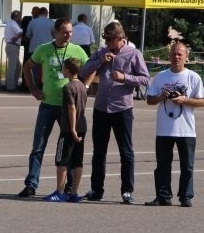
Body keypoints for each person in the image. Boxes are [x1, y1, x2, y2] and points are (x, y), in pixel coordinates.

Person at [79, 21, 149, 204]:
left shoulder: (134, 54)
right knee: (99, 152)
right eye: (105, 39)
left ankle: (127, 191)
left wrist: (125, 78)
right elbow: (83, 71)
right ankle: (96, 189)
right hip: (101, 108)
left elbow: (145, 79)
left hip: (122, 109)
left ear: (120, 38)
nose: (107, 42)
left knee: (126, 152)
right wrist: (100, 61)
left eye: (110, 39)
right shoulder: (102, 53)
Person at [18, 17, 88, 197]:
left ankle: (71, 188)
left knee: (70, 147)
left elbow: (91, 67)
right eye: (64, 32)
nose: (68, 35)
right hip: (48, 105)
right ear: (55, 32)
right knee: (38, 147)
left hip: (68, 108)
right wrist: (33, 88)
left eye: (70, 32)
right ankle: (31, 184)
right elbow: (27, 67)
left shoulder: (77, 50)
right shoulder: (43, 49)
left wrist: (84, 85)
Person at [144, 41, 204, 207]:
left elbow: (202, 101)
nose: (176, 57)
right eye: (173, 54)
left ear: (186, 56)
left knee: (187, 166)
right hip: (164, 129)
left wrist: (184, 100)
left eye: (180, 54)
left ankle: (186, 196)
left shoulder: (193, 77)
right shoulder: (161, 77)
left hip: (186, 130)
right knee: (162, 165)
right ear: (168, 56)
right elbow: (149, 100)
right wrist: (161, 97)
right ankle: (163, 196)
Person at [43, 58, 87, 203]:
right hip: (82, 126)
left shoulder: (68, 87)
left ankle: (60, 192)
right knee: (77, 161)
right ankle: (74, 193)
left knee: (61, 160)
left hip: (69, 129)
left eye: (63, 68)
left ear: (67, 70)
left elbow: (72, 108)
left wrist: (72, 129)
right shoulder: (82, 85)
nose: (62, 70)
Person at [18, 6, 40, 92]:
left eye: (36, 13)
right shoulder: (27, 20)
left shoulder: (38, 22)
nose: (34, 14)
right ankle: (25, 83)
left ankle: (35, 84)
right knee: (27, 65)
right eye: (33, 12)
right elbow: (24, 33)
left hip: (36, 47)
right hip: (29, 47)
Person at [3, 10, 23, 91]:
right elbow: (20, 33)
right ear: (16, 16)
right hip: (12, 46)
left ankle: (13, 84)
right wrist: (17, 37)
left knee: (18, 67)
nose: (20, 18)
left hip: (12, 46)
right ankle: (10, 87)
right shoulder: (13, 24)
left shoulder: (11, 23)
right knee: (12, 67)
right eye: (19, 17)